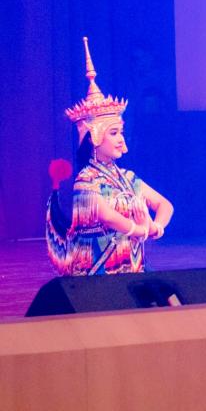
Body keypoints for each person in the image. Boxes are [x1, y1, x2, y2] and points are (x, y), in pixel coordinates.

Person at [46, 37, 174, 275]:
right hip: (98, 277)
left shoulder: (128, 178)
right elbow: (108, 217)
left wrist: (156, 227)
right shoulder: (86, 181)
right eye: (113, 133)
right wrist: (140, 230)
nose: (121, 139)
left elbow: (164, 204)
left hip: (132, 270)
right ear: (94, 137)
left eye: (121, 133)